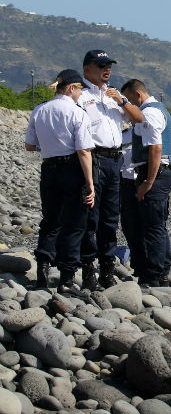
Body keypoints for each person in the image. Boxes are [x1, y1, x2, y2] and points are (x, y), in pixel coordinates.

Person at [24, 69, 95, 291]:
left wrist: (49, 144)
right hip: (71, 168)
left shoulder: (39, 109)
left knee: (50, 220)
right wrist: (90, 183)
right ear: (72, 87)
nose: (81, 94)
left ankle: (42, 272)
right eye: (80, 89)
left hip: (49, 168)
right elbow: (84, 151)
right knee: (75, 223)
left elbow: (29, 145)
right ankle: (66, 278)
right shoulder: (77, 112)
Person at [78, 49, 143, 290]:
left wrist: (123, 101)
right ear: (87, 69)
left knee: (109, 218)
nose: (107, 70)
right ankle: (87, 271)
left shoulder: (113, 95)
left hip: (115, 160)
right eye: (101, 65)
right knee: (90, 216)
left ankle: (106, 270)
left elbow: (138, 119)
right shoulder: (81, 95)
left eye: (109, 66)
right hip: (93, 158)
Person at [120, 79, 171, 287]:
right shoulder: (156, 110)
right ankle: (159, 271)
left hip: (154, 172)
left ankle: (155, 274)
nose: (128, 107)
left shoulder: (150, 113)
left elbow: (155, 149)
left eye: (129, 101)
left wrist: (148, 181)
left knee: (152, 226)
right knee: (154, 224)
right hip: (156, 171)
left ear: (137, 96)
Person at [119, 126, 171, 279]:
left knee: (153, 227)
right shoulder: (122, 132)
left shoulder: (155, 128)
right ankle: (140, 269)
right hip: (126, 184)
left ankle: (159, 272)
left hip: (147, 183)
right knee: (130, 227)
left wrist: (162, 172)